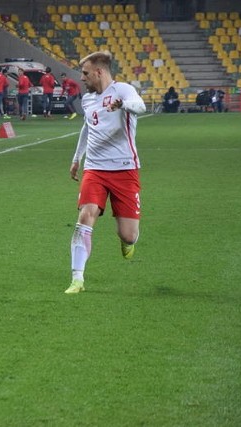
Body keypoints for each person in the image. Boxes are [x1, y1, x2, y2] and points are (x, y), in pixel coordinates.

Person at [65, 50, 146, 294]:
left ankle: (127, 242)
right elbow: (87, 128)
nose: (83, 78)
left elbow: (140, 106)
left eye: (86, 73)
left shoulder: (122, 91)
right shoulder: (88, 99)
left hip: (124, 169)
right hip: (95, 169)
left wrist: (123, 105)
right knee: (85, 216)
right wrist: (77, 158)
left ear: (99, 72)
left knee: (128, 235)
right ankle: (77, 279)